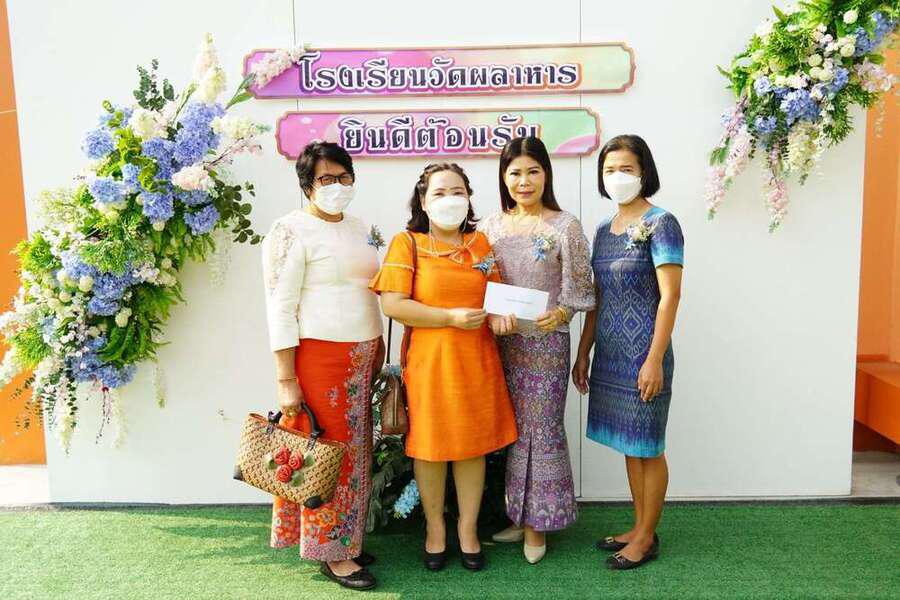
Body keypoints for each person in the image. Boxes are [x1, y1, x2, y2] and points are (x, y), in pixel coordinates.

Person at [369, 162, 517, 572]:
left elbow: (496, 298)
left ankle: (467, 530)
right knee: (431, 449)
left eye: (457, 192)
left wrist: (500, 317)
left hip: (477, 361)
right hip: (430, 363)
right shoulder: (407, 243)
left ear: (468, 198)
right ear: (422, 201)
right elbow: (393, 304)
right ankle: (435, 528)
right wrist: (449, 317)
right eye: (439, 192)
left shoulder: (480, 244)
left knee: (472, 447)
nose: (450, 200)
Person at [261, 141, 385, 591]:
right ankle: (331, 553)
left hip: (363, 357)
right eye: (326, 179)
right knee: (327, 454)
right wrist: (285, 378)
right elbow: (280, 307)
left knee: (357, 452)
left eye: (344, 176)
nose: (337, 186)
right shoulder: (289, 230)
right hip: (320, 359)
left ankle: (348, 539)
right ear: (307, 185)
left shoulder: (362, 227)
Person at [480, 137, 595, 564]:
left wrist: (562, 312)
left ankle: (539, 524)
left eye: (533, 171)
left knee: (541, 430)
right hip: (501, 344)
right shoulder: (490, 227)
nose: (524, 181)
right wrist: (492, 316)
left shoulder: (565, 225)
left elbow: (581, 287)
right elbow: (479, 283)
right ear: (503, 178)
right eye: (515, 173)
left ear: (546, 174)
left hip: (546, 344)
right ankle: (519, 514)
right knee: (512, 431)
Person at [572, 134, 684, 570]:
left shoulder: (662, 222)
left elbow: (670, 296)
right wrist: (584, 352)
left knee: (648, 446)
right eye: (610, 169)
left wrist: (654, 359)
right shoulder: (603, 230)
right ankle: (639, 527)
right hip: (610, 355)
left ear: (644, 173)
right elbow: (597, 297)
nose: (617, 176)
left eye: (626, 168)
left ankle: (646, 537)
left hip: (644, 355)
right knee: (629, 445)